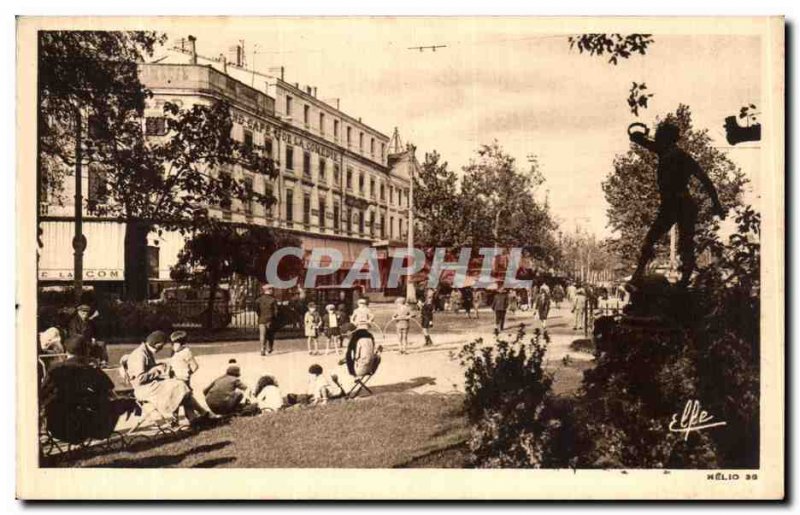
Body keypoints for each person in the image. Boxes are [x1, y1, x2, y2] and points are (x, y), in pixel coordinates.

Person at [629, 121, 725, 287]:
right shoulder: (669, 152)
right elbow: (706, 181)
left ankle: (642, 274)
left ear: (666, 138)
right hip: (677, 204)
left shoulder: (671, 153)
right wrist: (716, 204)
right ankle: (646, 275)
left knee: (664, 241)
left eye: (659, 135)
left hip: (678, 203)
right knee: (679, 243)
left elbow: (637, 138)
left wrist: (640, 132)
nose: (656, 138)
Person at [40, 335, 139, 444]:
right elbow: (109, 391)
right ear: (86, 351)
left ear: (66, 350)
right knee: (117, 403)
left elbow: (42, 394)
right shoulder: (90, 370)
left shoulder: (55, 369)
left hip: (56, 427)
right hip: (83, 429)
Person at [125, 331, 210, 428]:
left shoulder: (145, 352)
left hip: (150, 386)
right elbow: (139, 379)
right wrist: (156, 370)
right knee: (179, 386)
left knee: (179, 386)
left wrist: (159, 367)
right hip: (144, 390)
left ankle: (196, 417)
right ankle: (198, 415)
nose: (161, 349)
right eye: (161, 346)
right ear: (157, 344)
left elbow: (147, 372)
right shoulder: (140, 355)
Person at [255, 284, 279, 356]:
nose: (272, 291)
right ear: (269, 290)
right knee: (270, 334)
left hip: (261, 319)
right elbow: (276, 311)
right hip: (270, 319)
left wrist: (260, 316)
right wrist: (275, 318)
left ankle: (262, 349)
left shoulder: (259, 300)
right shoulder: (273, 300)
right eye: (271, 289)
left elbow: (257, 310)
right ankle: (270, 348)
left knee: (262, 335)